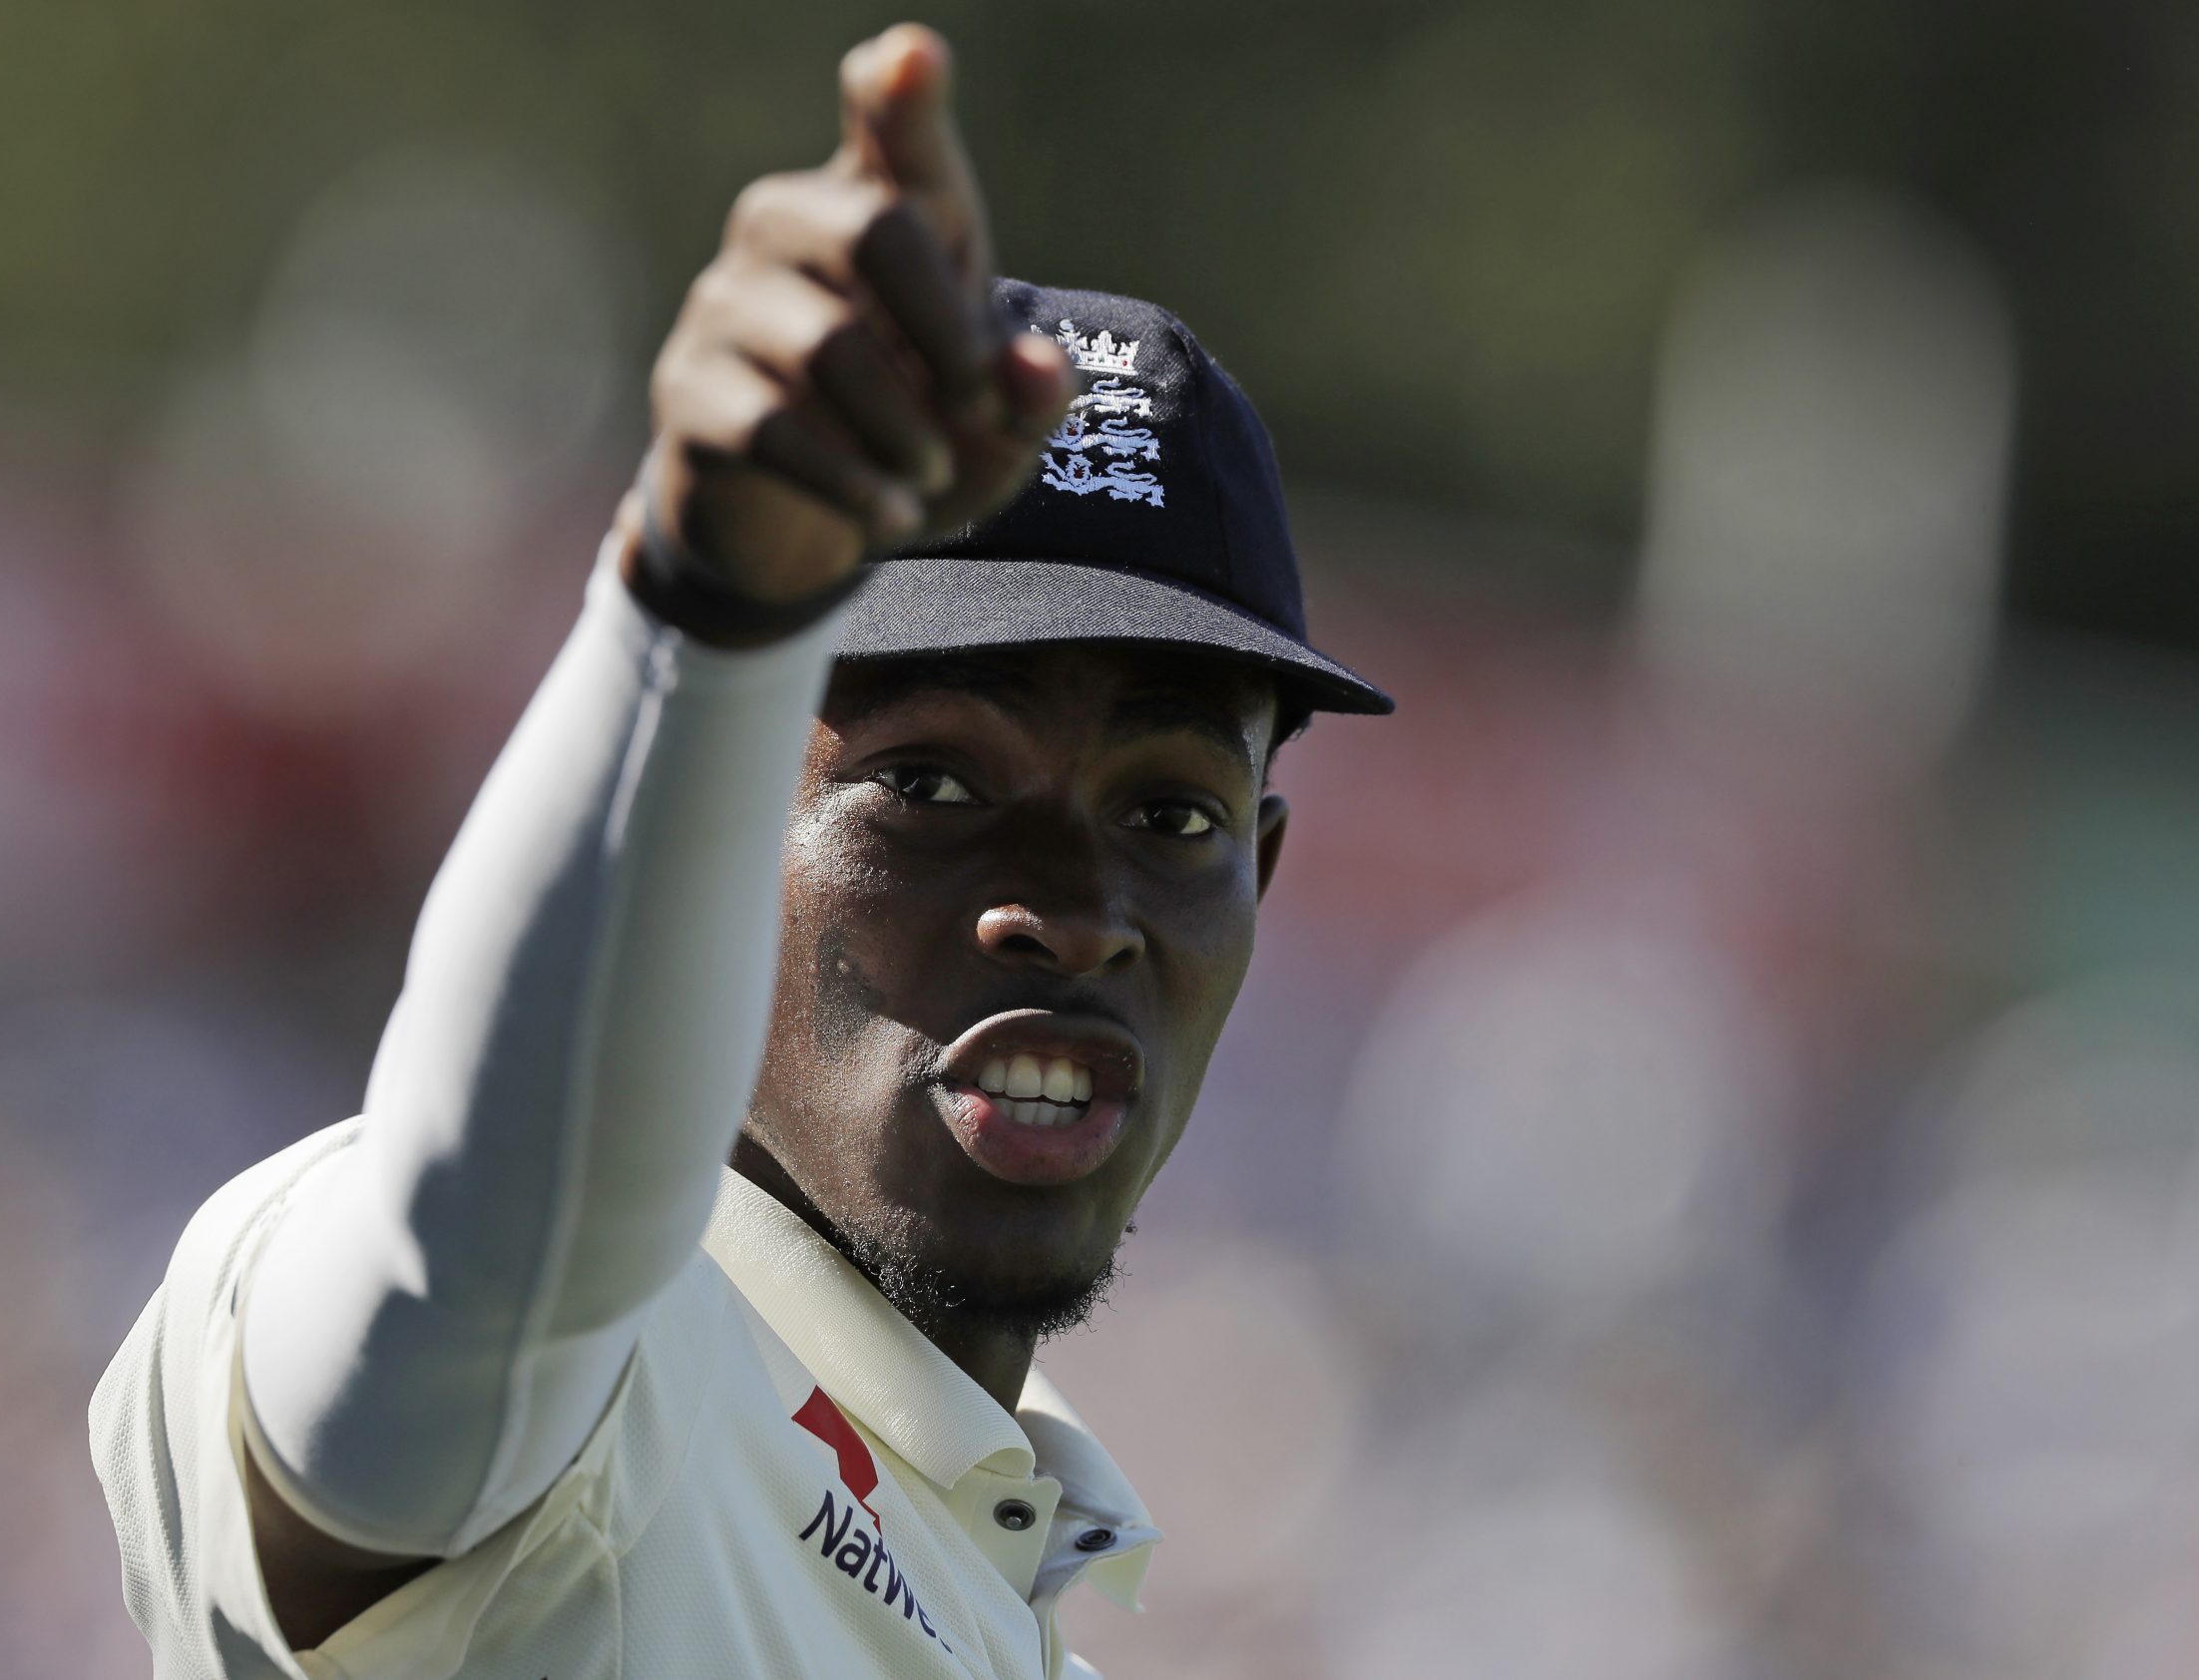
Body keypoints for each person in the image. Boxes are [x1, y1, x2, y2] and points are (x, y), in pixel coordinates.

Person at [90, 22, 1389, 1680]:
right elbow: (476, 1268)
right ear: (717, 831)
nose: (1073, 915)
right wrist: (699, 622)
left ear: (1260, 881)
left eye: (1171, 816)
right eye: (929, 786)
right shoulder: (578, 1382)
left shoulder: (1007, 1573)